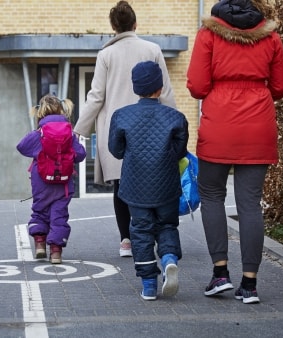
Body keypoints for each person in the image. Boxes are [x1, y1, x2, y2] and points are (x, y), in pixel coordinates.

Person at [186, 0, 283, 304]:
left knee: (212, 196)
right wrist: (256, 91)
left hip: (219, 124)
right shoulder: (270, 36)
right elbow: (281, 85)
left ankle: (220, 274)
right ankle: (250, 283)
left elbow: (196, 85)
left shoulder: (209, 34)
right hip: (258, 125)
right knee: (249, 203)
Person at [73, 0, 177, 257]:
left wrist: (79, 130)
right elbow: (166, 91)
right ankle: (152, 235)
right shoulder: (152, 49)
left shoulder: (105, 55)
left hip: (118, 130)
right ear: (135, 24)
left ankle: (127, 241)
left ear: (113, 27)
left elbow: (96, 96)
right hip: (152, 128)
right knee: (153, 182)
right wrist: (173, 124)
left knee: (122, 186)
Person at [108, 61, 188, 300]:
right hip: (167, 186)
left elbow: (116, 150)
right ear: (160, 87)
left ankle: (149, 286)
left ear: (136, 87)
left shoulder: (121, 116)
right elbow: (180, 151)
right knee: (167, 226)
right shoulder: (176, 117)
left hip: (135, 187)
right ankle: (169, 259)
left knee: (140, 232)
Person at [17, 94, 87, 264]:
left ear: (40, 112)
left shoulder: (39, 133)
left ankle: (40, 245)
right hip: (63, 184)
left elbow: (21, 146)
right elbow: (81, 154)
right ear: (61, 109)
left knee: (40, 210)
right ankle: (56, 253)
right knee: (59, 215)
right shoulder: (69, 134)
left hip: (41, 181)